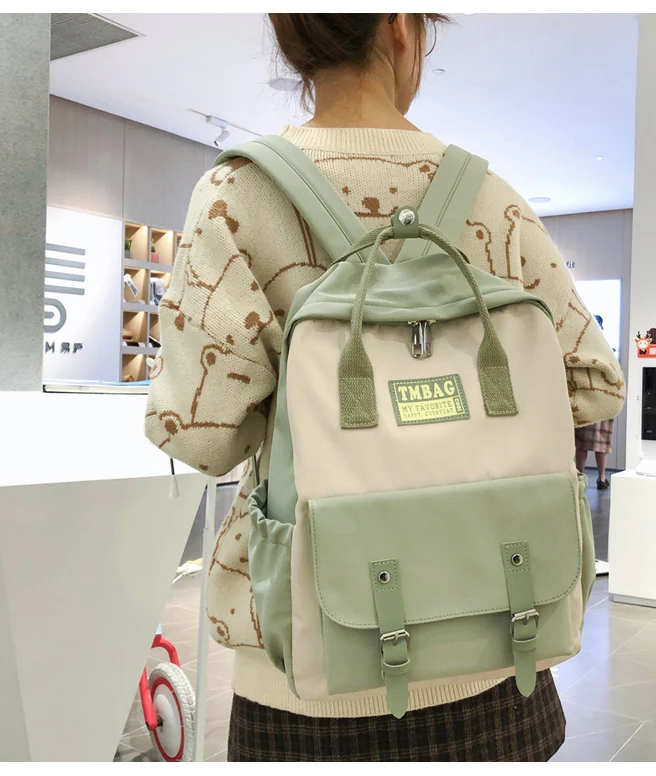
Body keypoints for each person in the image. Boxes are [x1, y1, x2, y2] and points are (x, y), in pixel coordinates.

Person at [145, 13, 625, 762]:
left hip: (305, 675)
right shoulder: (489, 197)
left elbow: (199, 437)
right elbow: (593, 385)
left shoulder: (234, 194)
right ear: (402, 27)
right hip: (501, 646)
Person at [574, 315, 617, 490]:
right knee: (601, 442)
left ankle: (580, 476)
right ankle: (601, 478)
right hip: (602, 399)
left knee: (582, 443)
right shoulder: (607, 351)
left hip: (587, 399)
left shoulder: (582, 348)